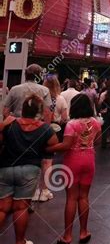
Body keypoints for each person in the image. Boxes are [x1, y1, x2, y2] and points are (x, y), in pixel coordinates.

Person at [0, 95, 58, 244]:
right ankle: (19, 243)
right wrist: (40, 149)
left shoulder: (10, 124)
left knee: (3, 208)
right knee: (21, 207)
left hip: (5, 168)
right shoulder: (45, 128)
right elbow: (53, 144)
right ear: (39, 111)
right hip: (29, 170)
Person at [47, 94, 101, 244]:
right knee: (84, 197)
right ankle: (84, 232)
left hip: (73, 161)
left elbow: (66, 145)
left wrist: (48, 148)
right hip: (89, 160)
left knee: (71, 198)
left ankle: (67, 236)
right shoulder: (96, 123)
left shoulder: (72, 124)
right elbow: (97, 141)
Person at [33, 75, 68, 203]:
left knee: (36, 160)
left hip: (37, 128)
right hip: (54, 130)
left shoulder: (39, 99)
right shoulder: (61, 99)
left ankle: (34, 190)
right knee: (48, 161)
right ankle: (45, 190)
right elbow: (65, 118)